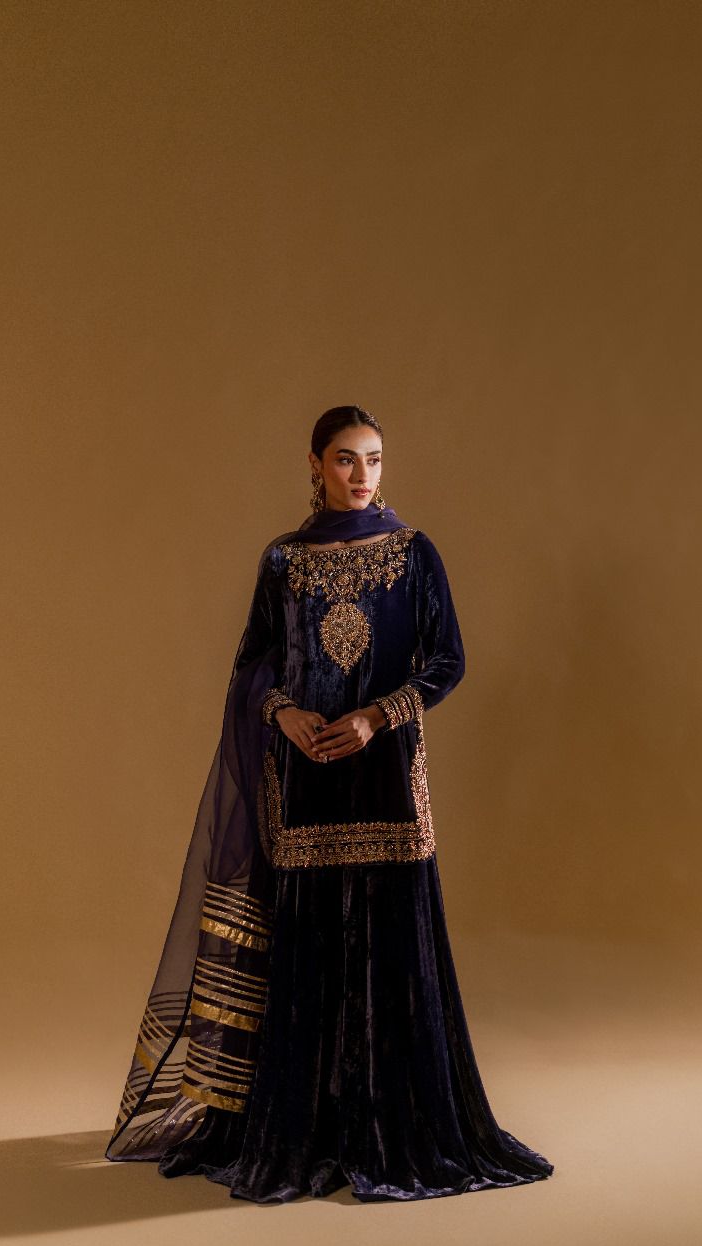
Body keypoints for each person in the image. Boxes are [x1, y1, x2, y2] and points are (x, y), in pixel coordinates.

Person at [104, 404, 555, 1202]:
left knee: (393, 937)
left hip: (385, 774)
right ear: (314, 464)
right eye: (346, 459)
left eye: (374, 459)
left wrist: (377, 717)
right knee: (308, 940)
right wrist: (282, 713)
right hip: (303, 773)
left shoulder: (413, 553)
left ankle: (396, 1125)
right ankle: (307, 1126)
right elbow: (253, 664)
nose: (362, 475)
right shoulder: (283, 560)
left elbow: (446, 661)